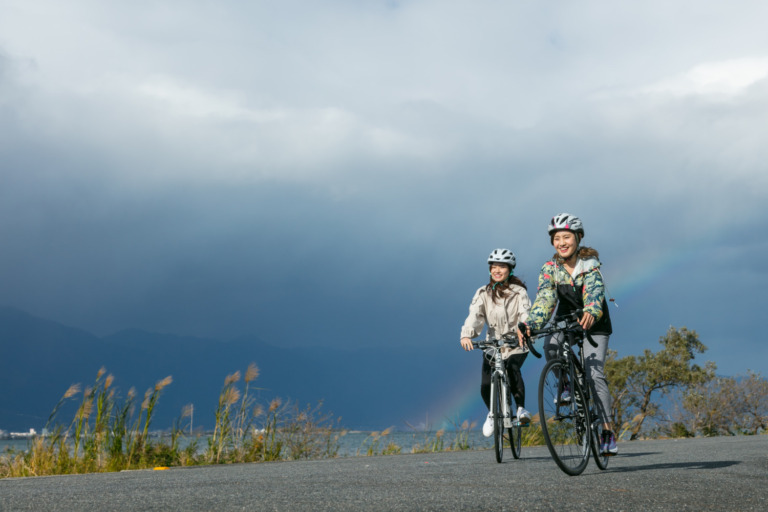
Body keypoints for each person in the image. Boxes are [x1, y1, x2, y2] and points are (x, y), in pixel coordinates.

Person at [521, 213, 618, 455]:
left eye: (566, 237)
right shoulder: (549, 269)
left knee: (594, 374)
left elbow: (595, 291)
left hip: (594, 324)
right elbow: (545, 299)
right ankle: (565, 383)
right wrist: (531, 323)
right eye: (556, 238)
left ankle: (607, 431)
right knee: (550, 346)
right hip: (566, 321)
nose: (561, 242)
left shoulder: (591, 265)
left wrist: (592, 309)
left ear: (578, 238)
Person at [460, 248, 532, 437]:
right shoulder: (483, 292)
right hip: (493, 344)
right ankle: (492, 413)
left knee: (512, 369)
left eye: (502, 266)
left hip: (517, 342)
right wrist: (467, 335)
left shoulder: (519, 292)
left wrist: (524, 328)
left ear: (510, 269)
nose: (497, 270)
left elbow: (525, 312)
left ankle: (521, 410)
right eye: (494, 266)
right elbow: (475, 315)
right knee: (485, 385)